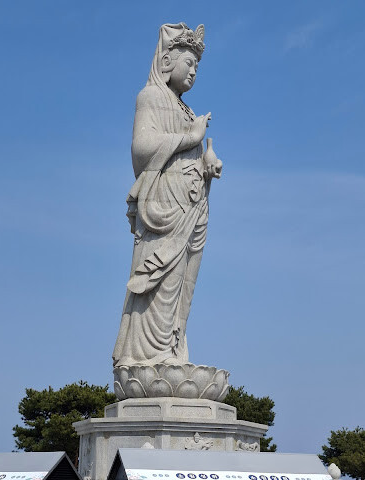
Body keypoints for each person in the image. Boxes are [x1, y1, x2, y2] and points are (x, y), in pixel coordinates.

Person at [113, 23, 222, 368]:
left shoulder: (185, 109)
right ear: (166, 61)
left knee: (183, 288)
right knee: (161, 282)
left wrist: (206, 162)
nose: (193, 71)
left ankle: (174, 349)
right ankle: (148, 357)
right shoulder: (150, 97)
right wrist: (191, 138)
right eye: (188, 62)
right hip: (164, 207)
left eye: (197, 66)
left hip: (192, 205)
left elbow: (188, 154)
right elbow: (142, 149)